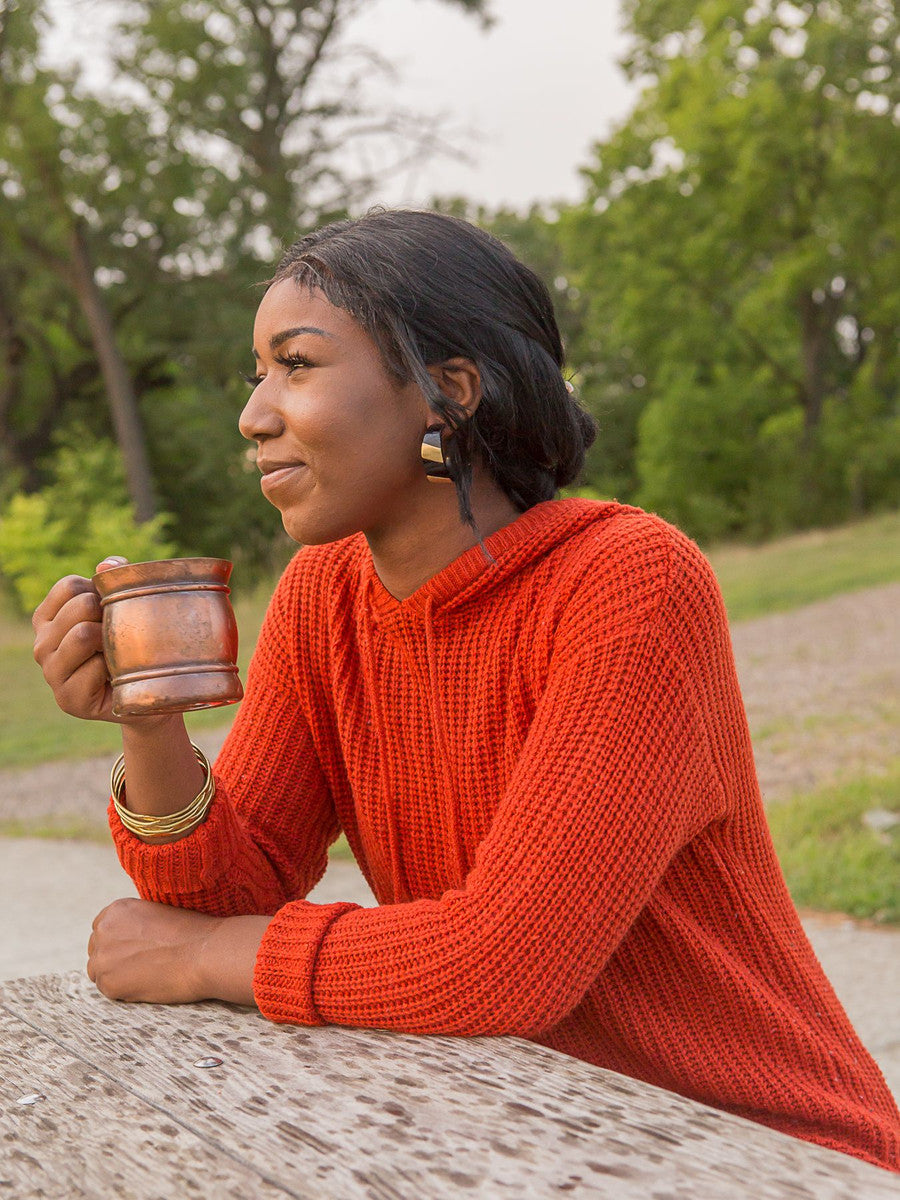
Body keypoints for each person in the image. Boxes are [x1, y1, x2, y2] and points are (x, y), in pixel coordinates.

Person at [32, 209, 899, 1174]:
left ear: (449, 394)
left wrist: (205, 960)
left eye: (299, 365)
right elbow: (234, 887)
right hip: (542, 1137)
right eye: (258, 373)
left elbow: (502, 964)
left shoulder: (629, 584)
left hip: (766, 1151)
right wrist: (149, 727)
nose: (254, 413)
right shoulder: (326, 597)